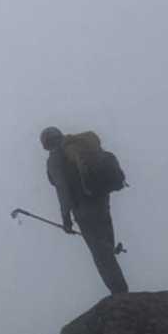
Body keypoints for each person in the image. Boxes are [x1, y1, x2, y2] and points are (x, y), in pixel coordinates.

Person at [41, 126, 128, 294]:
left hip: (83, 207)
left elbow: (62, 188)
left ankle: (119, 292)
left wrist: (66, 218)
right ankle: (120, 288)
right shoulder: (81, 145)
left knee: (100, 251)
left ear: (46, 143)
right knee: (105, 243)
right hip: (101, 198)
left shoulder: (55, 159)